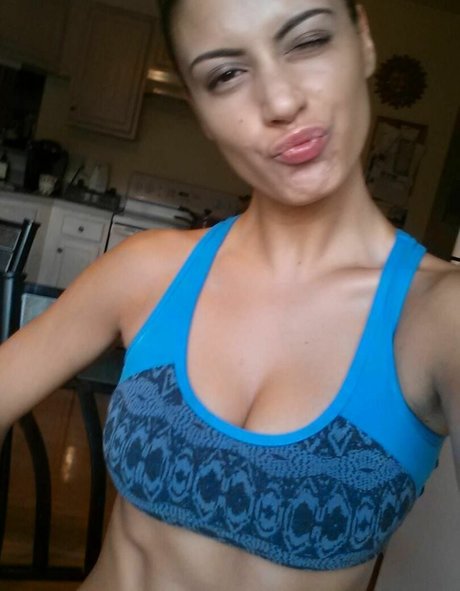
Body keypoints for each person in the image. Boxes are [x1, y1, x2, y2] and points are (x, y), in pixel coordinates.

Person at [1, 0, 459, 589]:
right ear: (201, 110)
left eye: (308, 41)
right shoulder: (148, 270)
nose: (280, 101)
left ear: (363, 41)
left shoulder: (439, 316)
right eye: (226, 74)